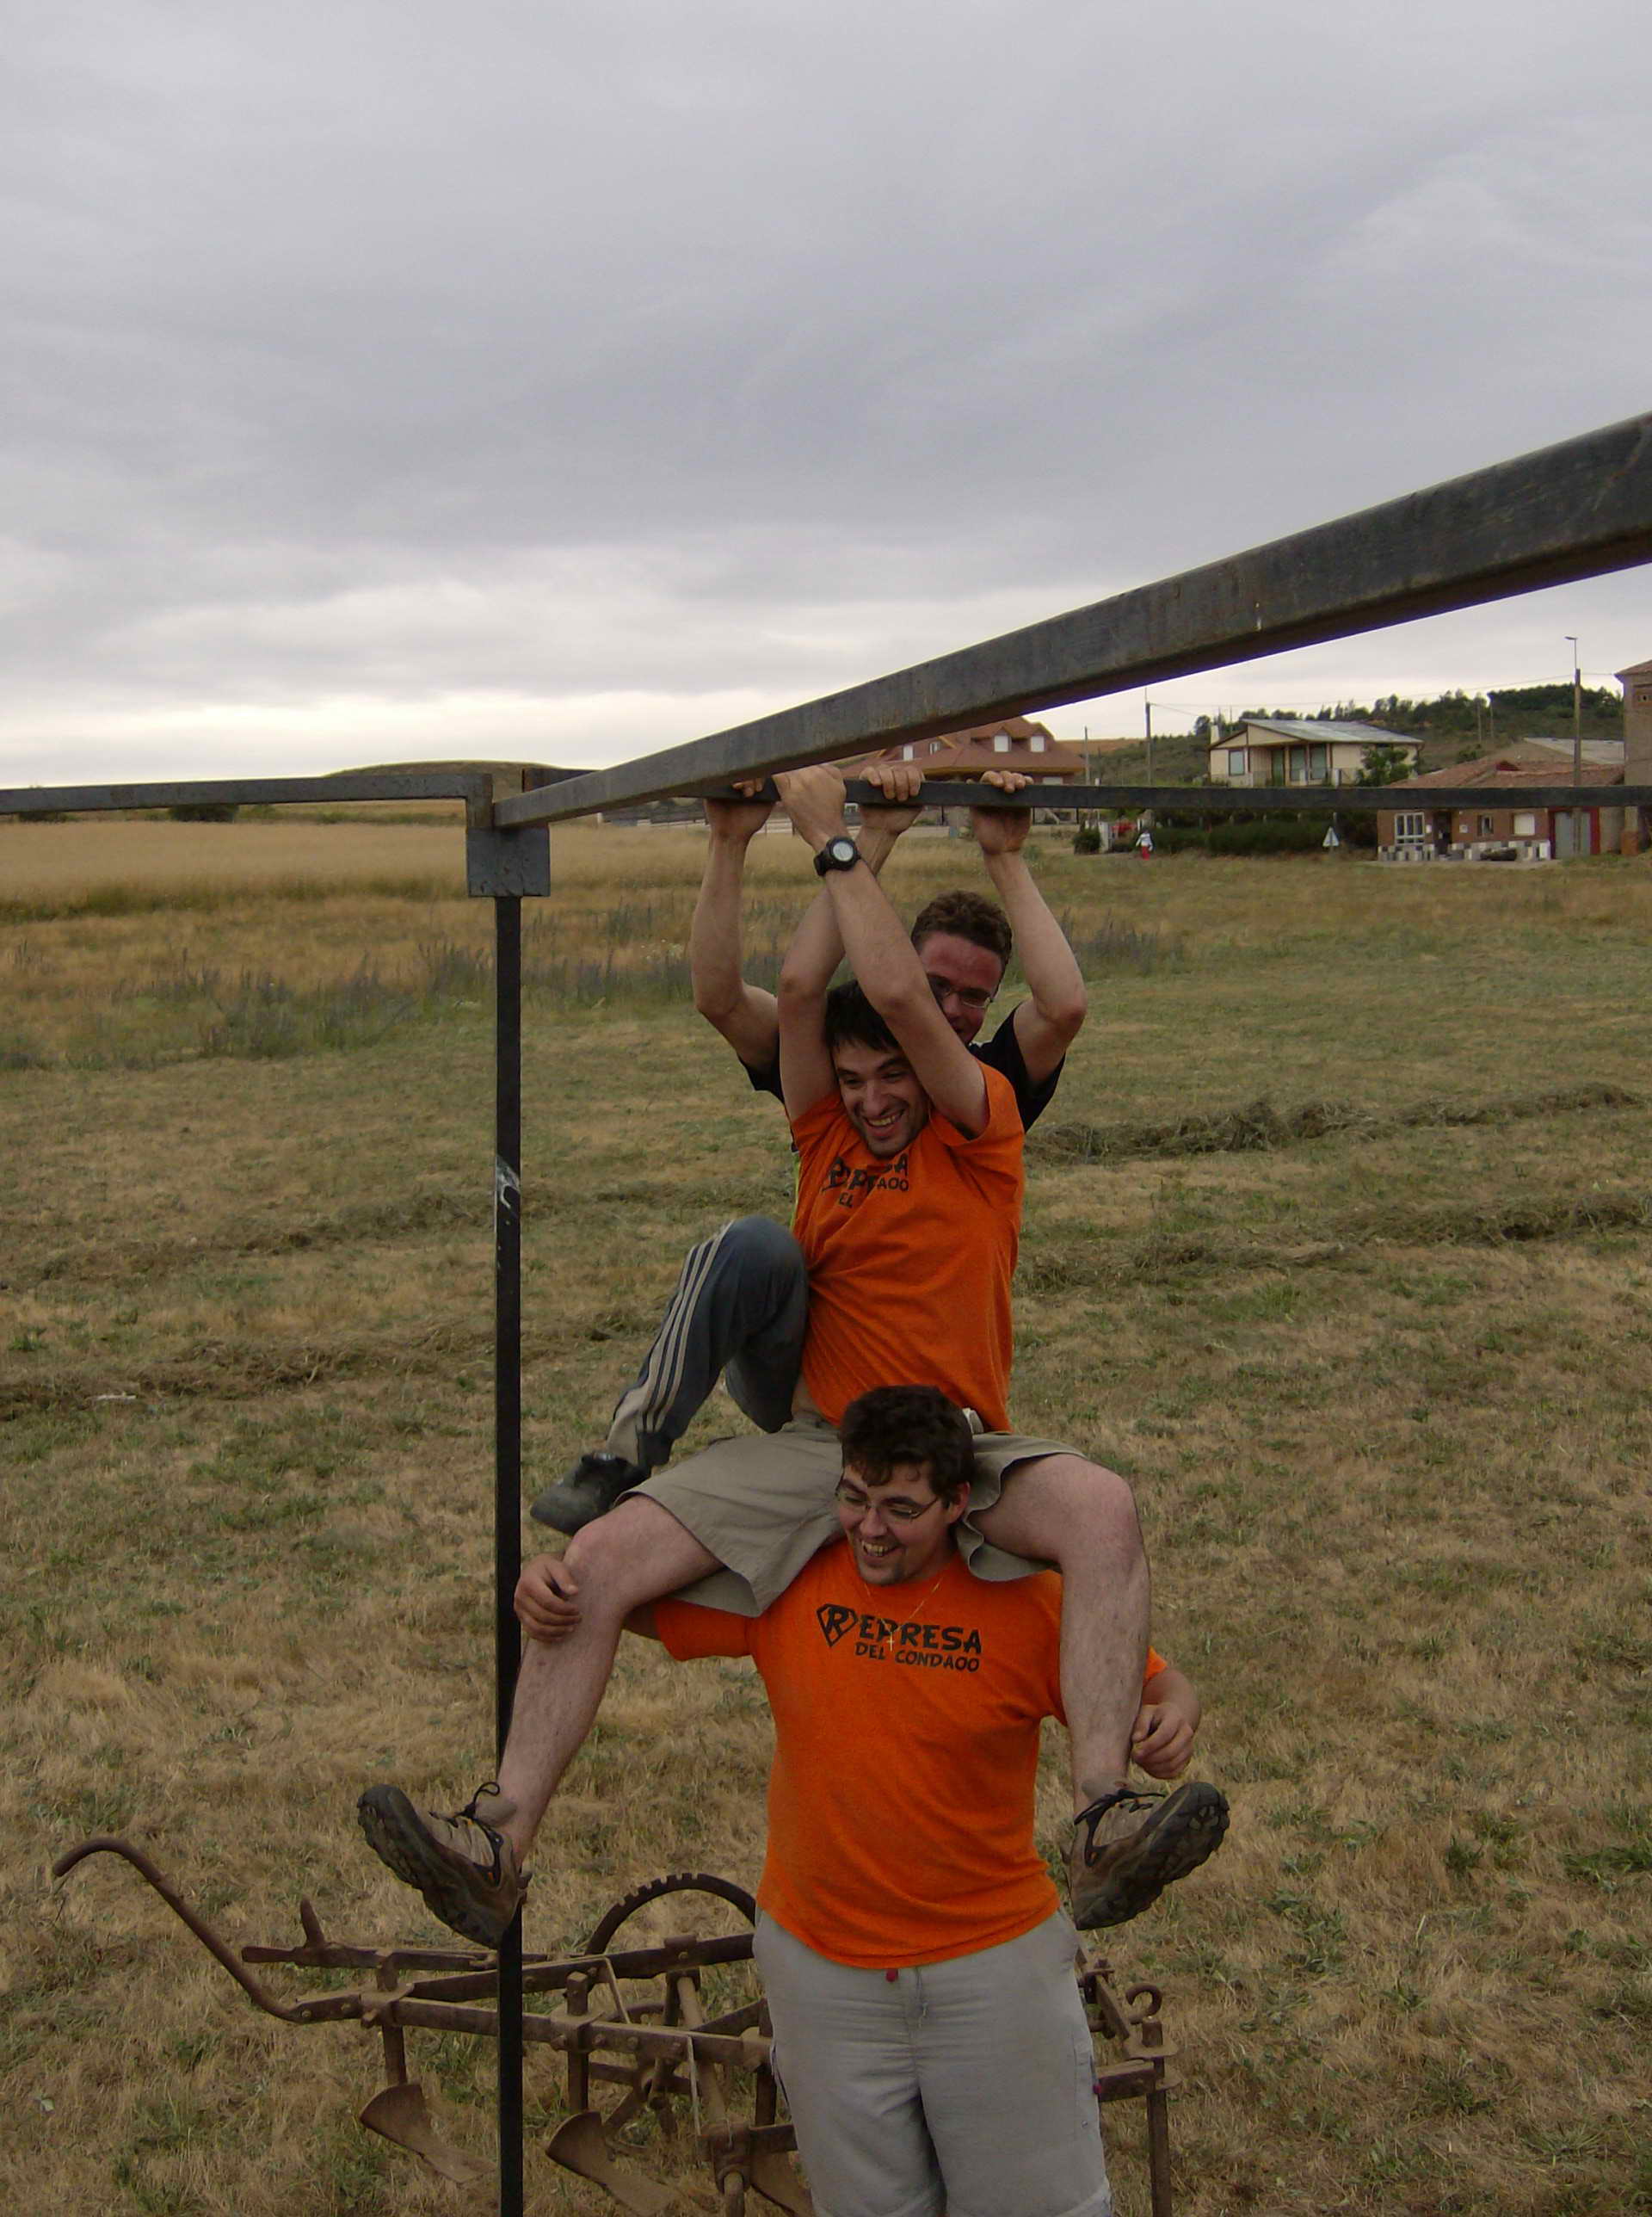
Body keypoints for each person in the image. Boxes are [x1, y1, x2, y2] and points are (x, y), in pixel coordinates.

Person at [357, 766, 1226, 1945]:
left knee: (1103, 1506)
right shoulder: (824, 1133)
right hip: (827, 1444)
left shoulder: (981, 1128)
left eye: (894, 1075)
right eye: (853, 1078)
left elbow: (905, 995)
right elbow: (798, 989)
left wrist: (837, 836)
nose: (873, 1100)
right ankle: (496, 1842)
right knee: (593, 1563)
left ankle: (1104, 1817)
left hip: (962, 1443)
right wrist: (767, 838)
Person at [632, 1386, 1205, 2217]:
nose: (869, 1528)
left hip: (991, 1972)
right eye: (854, 1498)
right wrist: (566, 1584)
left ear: (957, 1503)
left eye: (901, 1509)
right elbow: (644, 1609)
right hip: (821, 1974)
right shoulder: (790, 1582)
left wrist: (1174, 1715)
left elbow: (1157, 1682)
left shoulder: (1028, 1604)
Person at [535, 762, 1087, 1531]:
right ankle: (622, 1454)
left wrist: (998, 856)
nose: (950, 1012)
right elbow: (765, 993)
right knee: (753, 1247)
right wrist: (844, 836)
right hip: (816, 1374)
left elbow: (1048, 1006)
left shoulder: (984, 1092)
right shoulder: (836, 1090)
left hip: (935, 1399)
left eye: (974, 998)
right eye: (936, 987)